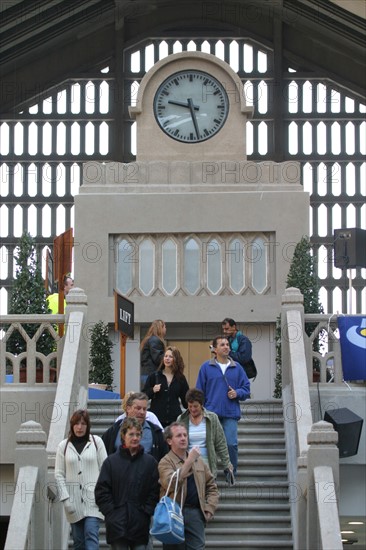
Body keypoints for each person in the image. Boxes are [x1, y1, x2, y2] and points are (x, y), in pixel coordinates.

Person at [95, 417, 160, 550]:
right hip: (117, 525)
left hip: (140, 523)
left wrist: (146, 511)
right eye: (131, 434)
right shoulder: (111, 462)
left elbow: (155, 490)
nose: (135, 438)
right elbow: (101, 491)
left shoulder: (150, 462)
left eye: (138, 434)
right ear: (123, 436)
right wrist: (111, 513)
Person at [158, 422, 219, 550]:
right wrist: (189, 460)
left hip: (196, 513)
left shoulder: (199, 460)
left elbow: (212, 486)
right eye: (179, 435)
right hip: (174, 513)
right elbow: (171, 483)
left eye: (185, 435)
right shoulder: (165, 462)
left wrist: (209, 509)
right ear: (169, 441)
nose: (183, 438)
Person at [196, 335, 250, 474]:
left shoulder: (237, 368)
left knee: (231, 444)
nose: (226, 347)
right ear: (214, 349)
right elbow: (199, 391)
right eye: (222, 345)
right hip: (210, 413)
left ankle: (231, 472)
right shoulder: (206, 367)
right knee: (209, 446)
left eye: (227, 344)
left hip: (230, 413)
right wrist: (199, 410)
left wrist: (237, 393)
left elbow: (246, 389)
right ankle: (210, 474)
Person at [55, 409, 107, 550]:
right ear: (72, 425)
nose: (79, 427)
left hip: (93, 501)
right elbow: (59, 474)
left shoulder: (97, 442)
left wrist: (101, 494)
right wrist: (66, 499)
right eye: (76, 423)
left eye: (83, 424)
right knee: (78, 542)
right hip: (73, 502)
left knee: (91, 535)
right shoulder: (63, 446)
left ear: (88, 425)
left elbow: (106, 470)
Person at [177, 388, 233, 480]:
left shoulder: (212, 418)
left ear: (202, 405)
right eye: (190, 406)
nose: (192, 409)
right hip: (187, 466)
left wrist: (227, 464)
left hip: (207, 467)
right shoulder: (181, 419)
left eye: (195, 406)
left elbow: (220, 443)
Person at [102, 392, 167, 460]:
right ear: (128, 409)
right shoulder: (113, 431)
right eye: (138, 408)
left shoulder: (156, 433)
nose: (142, 412)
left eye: (144, 409)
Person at [143, 346, 189, 427]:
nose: (167, 358)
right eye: (166, 356)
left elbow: (186, 401)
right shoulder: (154, 376)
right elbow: (143, 395)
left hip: (174, 420)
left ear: (176, 359)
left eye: (170, 356)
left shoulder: (180, 378)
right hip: (156, 420)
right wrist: (152, 390)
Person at [140, 320, 166, 388]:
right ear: (161, 328)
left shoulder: (149, 339)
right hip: (152, 374)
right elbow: (158, 358)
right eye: (164, 327)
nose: (165, 329)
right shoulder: (155, 340)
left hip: (147, 373)